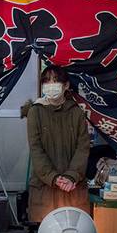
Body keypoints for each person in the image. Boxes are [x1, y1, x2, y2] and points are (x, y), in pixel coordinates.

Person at [24, 65, 90, 223]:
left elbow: (83, 148)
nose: (50, 85)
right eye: (46, 81)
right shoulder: (35, 112)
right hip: (45, 189)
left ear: (66, 85)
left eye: (55, 81)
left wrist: (71, 176)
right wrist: (54, 178)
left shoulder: (77, 113)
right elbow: (36, 149)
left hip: (73, 188)